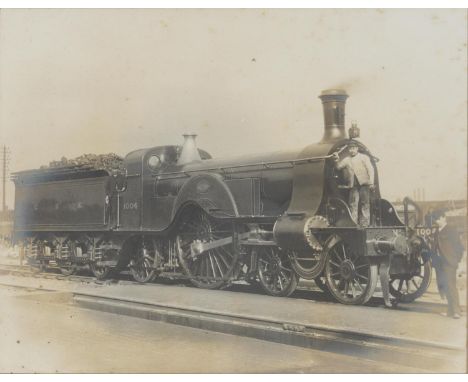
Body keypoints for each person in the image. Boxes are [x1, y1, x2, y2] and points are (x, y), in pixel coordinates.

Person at [333, 141, 375, 226]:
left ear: (357, 149)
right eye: (350, 148)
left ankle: (365, 224)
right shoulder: (347, 160)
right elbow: (338, 167)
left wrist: (371, 182)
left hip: (364, 184)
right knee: (353, 205)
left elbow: (370, 170)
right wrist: (336, 159)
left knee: (365, 204)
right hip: (353, 186)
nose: (351, 150)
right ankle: (354, 224)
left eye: (353, 148)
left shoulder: (364, 157)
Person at [432, 209, 465, 319]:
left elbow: (459, 247)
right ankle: (450, 311)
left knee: (451, 286)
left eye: (437, 219)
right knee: (446, 287)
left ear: (443, 217)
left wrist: (456, 260)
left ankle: (457, 311)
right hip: (440, 263)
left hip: (449, 262)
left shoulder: (451, 229)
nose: (436, 221)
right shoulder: (437, 231)